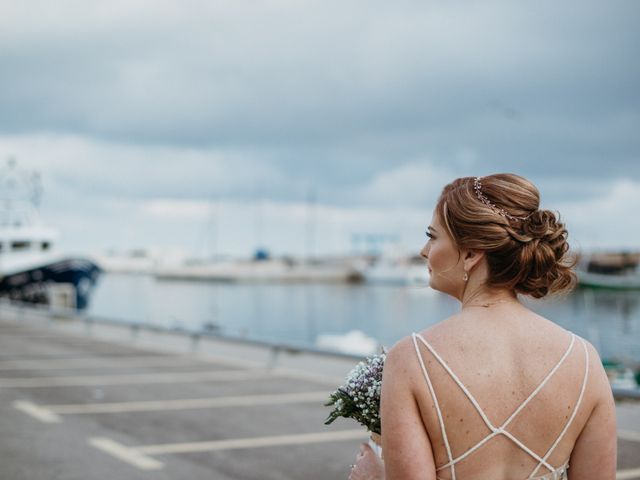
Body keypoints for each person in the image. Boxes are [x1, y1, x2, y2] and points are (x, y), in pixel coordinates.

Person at [348, 174, 617, 480]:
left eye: (432, 236)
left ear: (472, 253)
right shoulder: (585, 361)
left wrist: (377, 476)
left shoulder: (412, 359)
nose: (424, 251)